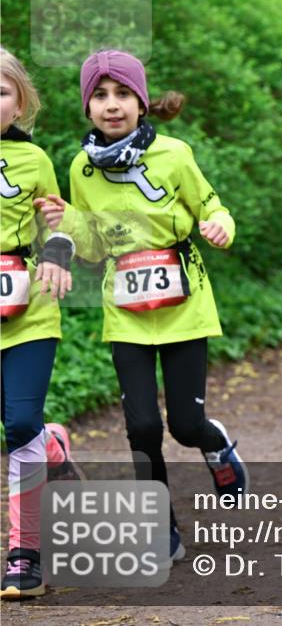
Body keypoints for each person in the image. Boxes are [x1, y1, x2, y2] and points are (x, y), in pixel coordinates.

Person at [34, 49, 248, 565]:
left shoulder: (174, 153)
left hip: (184, 303)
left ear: (141, 102)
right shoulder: (81, 166)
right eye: (101, 96)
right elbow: (89, 244)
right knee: (143, 427)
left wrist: (221, 225)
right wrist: (64, 219)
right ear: (88, 108)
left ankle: (215, 442)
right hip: (125, 308)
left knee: (183, 426)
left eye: (123, 94)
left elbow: (211, 205)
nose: (112, 106)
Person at [0, 46, 84, 601]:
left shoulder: (35, 160)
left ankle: (23, 552)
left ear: (20, 100)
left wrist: (55, 251)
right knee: (26, 431)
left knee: (18, 424)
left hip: (28, 309)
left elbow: (60, 222)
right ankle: (53, 447)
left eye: (2, 91)